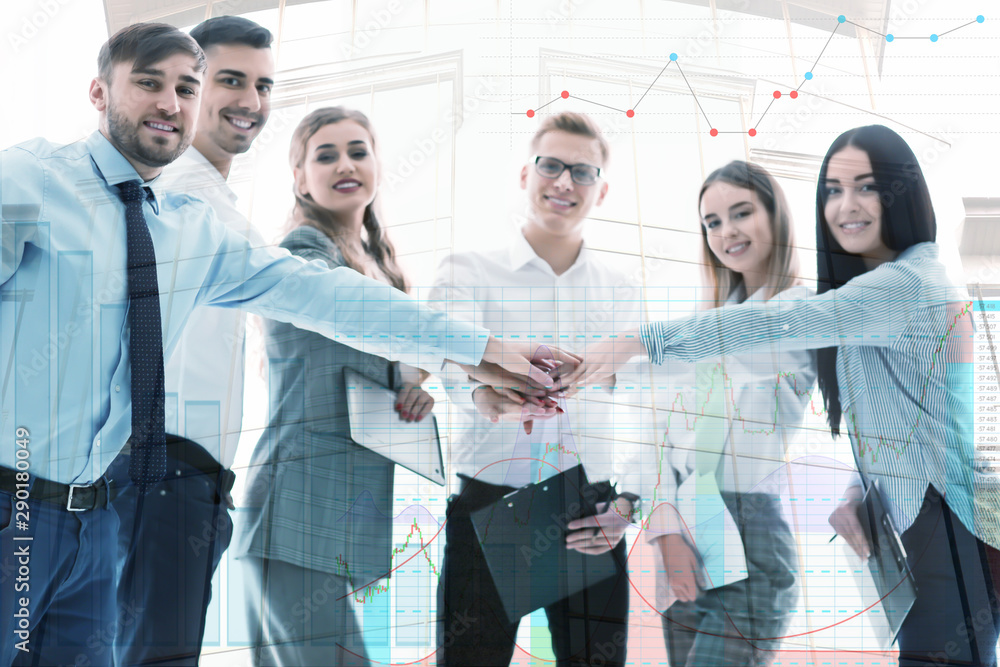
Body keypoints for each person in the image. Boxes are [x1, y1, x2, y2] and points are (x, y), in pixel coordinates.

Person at [0, 23, 565, 666]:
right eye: (149, 84)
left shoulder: (191, 229)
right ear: (99, 93)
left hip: (95, 519)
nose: (170, 103)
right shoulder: (32, 180)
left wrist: (483, 347)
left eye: (186, 88)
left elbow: (326, 297)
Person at [571, 125, 1000, 665]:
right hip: (707, 523)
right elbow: (909, 420)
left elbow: (770, 329)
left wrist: (633, 345)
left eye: (868, 187)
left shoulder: (881, 291)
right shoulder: (848, 305)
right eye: (833, 190)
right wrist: (854, 489)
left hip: (915, 525)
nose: (847, 205)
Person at [430, 111, 644, 666]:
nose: (565, 182)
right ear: (525, 174)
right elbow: (448, 361)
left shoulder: (623, 291)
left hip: (589, 514)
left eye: (583, 171)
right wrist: (482, 394)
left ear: (602, 189)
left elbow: (653, 404)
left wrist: (630, 504)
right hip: (487, 506)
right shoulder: (466, 269)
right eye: (551, 165)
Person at [231, 106, 437, 666]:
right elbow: (359, 316)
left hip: (327, 521)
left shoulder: (380, 268)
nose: (345, 164)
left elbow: (389, 347)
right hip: (292, 514)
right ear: (300, 179)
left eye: (357, 151)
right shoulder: (303, 255)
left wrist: (415, 380)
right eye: (325, 155)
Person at [102, 16, 275, 666]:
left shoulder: (213, 199)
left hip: (187, 470)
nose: (251, 102)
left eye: (262, 84)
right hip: (164, 464)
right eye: (229, 80)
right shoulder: (181, 196)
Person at [641, 161, 814, 666]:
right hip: (688, 529)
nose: (726, 232)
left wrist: (622, 351)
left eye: (741, 213)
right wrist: (666, 530)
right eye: (712, 222)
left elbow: (741, 342)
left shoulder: (800, 310)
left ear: (775, 216)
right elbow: (658, 436)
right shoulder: (704, 320)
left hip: (751, 531)